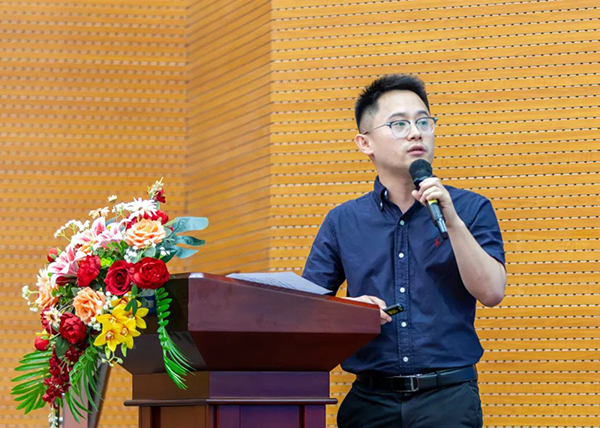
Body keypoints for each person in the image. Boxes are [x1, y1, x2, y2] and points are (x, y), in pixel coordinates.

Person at [302, 74, 507, 428]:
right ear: (365, 143)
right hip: (370, 402)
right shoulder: (342, 221)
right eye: (399, 124)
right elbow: (306, 309)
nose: (416, 133)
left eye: (423, 122)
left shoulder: (470, 209)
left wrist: (452, 221)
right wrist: (351, 310)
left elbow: (492, 292)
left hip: (447, 401)